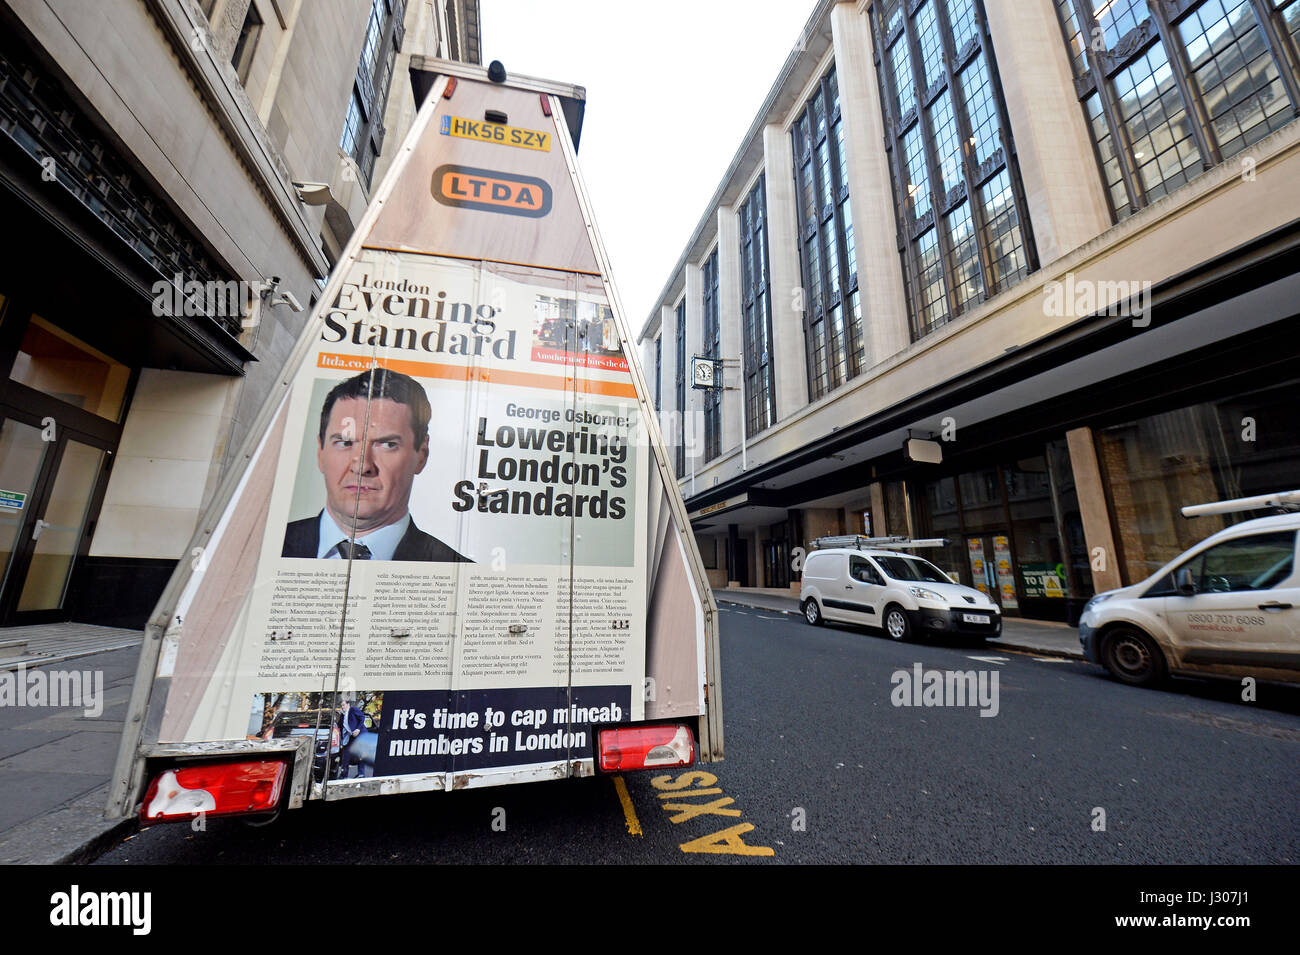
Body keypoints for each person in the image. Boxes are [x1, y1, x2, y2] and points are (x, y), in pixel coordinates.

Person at [281, 369, 470, 562]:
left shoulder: (459, 569)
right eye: (345, 443)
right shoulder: (267, 546)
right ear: (320, 451)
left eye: (388, 445)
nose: (362, 466)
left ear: (421, 455)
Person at [336, 698, 366, 780]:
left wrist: (358, 729)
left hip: (360, 734)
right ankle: (344, 775)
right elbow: (339, 727)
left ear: (348, 705)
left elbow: (362, 717)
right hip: (350, 737)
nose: (342, 707)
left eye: (343, 705)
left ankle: (361, 774)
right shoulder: (342, 716)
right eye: (341, 706)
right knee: (346, 755)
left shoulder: (353, 710)